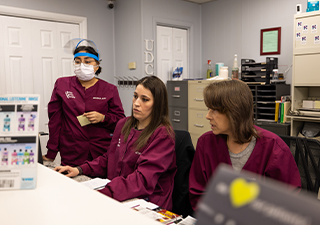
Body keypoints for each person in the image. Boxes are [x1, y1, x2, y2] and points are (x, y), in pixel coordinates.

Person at [54, 76, 177, 210]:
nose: (136, 103)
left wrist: (104, 193)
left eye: (145, 99)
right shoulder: (124, 124)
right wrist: (79, 169)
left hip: (147, 203)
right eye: (135, 96)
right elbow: (109, 158)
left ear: (158, 104)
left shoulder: (163, 135)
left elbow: (141, 181)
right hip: (118, 194)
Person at [189, 80, 301, 211]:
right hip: (216, 221)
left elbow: (289, 202)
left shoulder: (274, 148)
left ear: (234, 112)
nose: (208, 116)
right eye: (208, 109)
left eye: (214, 110)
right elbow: (198, 193)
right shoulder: (206, 143)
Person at [44, 39, 125, 166]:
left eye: (87, 62)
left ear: (97, 65)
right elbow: (55, 121)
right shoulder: (62, 84)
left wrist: (103, 118)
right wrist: (51, 152)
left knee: (100, 185)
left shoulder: (110, 89)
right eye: (78, 62)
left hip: (101, 152)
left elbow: (120, 121)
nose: (82, 65)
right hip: (72, 150)